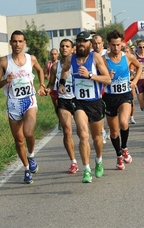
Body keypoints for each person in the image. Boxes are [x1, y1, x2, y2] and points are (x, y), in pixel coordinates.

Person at [0, 30, 46, 184]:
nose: (17, 44)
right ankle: (27, 168)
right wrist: (5, 81)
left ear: (24, 43)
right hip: (13, 103)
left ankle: (31, 155)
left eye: (20, 41)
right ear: (10, 43)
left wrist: (41, 84)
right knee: (18, 140)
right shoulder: (4, 61)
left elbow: (40, 70)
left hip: (29, 100)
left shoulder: (31, 59)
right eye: (14, 41)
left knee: (28, 133)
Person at [59, 31, 111, 183]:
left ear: (90, 43)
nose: (82, 44)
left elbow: (107, 79)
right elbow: (65, 70)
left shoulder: (95, 58)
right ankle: (86, 169)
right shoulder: (71, 58)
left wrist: (90, 76)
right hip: (79, 102)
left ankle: (99, 160)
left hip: (95, 102)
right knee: (83, 135)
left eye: (85, 41)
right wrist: (62, 83)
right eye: (79, 41)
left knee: (96, 138)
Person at [103, 29, 142, 170]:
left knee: (124, 123)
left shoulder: (128, 57)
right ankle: (119, 155)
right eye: (113, 45)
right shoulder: (103, 60)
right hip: (109, 97)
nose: (116, 48)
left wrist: (135, 81)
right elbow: (98, 77)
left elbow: (140, 66)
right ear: (108, 44)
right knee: (113, 132)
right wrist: (106, 76)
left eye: (118, 45)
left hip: (125, 95)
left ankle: (124, 148)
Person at [46, 39, 78, 173]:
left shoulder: (78, 63)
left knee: (83, 133)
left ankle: (86, 155)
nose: (64, 48)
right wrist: (47, 90)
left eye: (67, 46)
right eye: (62, 46)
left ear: (72, 49)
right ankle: (73, 162)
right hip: (63, 101)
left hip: (78, 100)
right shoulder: (55, 66)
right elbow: (51, 84)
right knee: (67, 131)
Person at [92, 34, 109, 143]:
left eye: (99, 43)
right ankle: (102, 130)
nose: (97, 45)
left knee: (110, 111)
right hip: (97, 86)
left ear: (103, 43)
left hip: (109, 85)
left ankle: (110, 129)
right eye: (95, 43)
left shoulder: (108, 54)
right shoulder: (90, 55)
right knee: (100, 108)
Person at [44, 48, 60, 128]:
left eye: (55, 54)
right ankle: (60, 120)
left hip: (61, 86)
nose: (53, 56)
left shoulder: (61, 63)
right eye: (52, 54)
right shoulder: (48, 64)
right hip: (52, 87)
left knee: (62, 104)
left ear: (58, 55)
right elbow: (43, 74)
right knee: (56, 104)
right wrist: (46, 76)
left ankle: (64, 119)